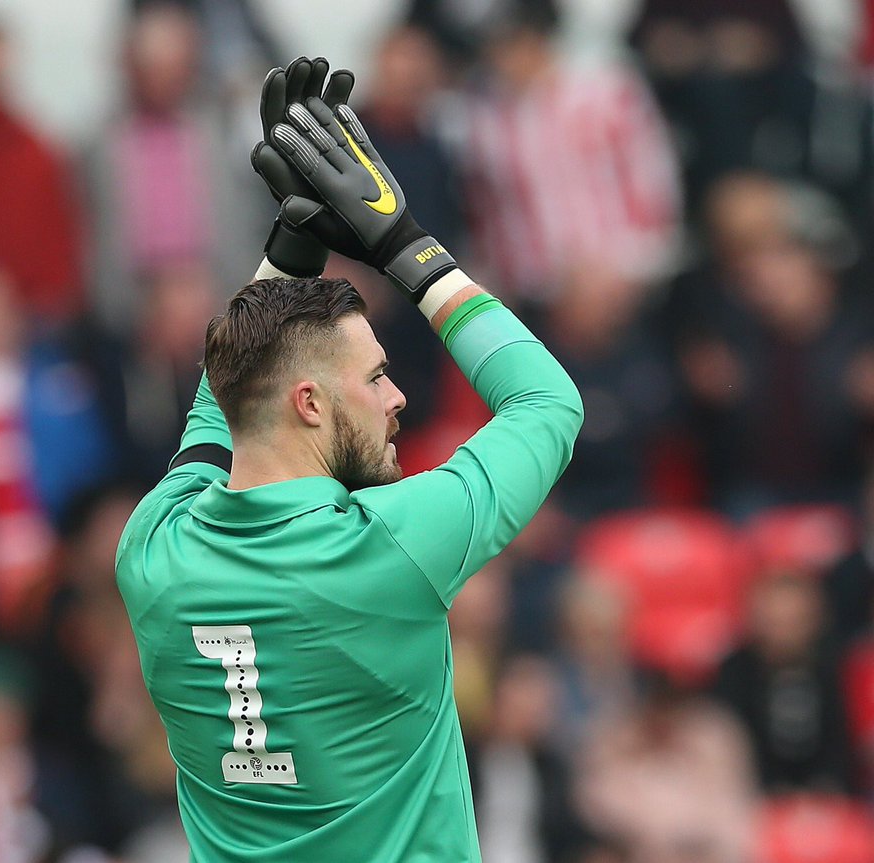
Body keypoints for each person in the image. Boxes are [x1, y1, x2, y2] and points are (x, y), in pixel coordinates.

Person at [116, 57, 584, 862]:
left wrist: (294, 247)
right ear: (309, 403)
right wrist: (404, 244)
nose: (397, 396)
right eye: (374, 377)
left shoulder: (154, 547)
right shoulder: (390, 544)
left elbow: (220, 402)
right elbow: (547, 402)